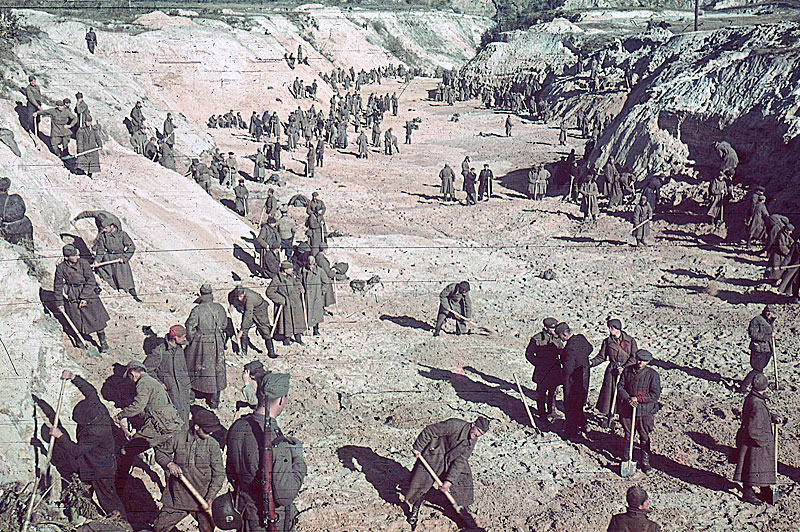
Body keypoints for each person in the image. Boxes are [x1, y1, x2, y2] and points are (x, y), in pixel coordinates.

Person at [226, 373, 307, 532]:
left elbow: (231, 473)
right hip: (269, 522)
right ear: (282, 400)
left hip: (245, 514)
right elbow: (284, 496)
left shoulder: (238, 426)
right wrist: (298, 459)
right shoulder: (277, 443)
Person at [48, 370, 129, 526]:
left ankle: (123, 524)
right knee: (82, 489)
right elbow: (89, 390)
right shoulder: (95, 405)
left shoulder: (97, 432)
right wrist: (73, 378)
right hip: (91, 462)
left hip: (101, 468)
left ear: (90, 422)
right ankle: (82, 514)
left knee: (108, 498)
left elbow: (76, 451)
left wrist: (60, 436)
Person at [404, 417, 489, 529]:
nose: (478, 435)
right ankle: (414, 509)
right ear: (473, 425)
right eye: (478, 431)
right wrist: (418, 447)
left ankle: (463, 508)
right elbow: (431, 430)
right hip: (436, 452)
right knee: (423, 481)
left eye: (481, 434)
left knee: (464, 477)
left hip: (452, 458)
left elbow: (461, 460)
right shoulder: (454, 425)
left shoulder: (472, 440)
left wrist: (449, 481)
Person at [153, 410, 225, 532]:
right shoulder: (178, 438)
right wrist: (169, 464)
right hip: (177, 496)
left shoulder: (213, 445)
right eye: (207, 430)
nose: (211, 433)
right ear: (196, 427)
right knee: (159, 528)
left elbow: (219, 474)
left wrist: (210, 497)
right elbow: (161, 453)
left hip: (201, 499)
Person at [114, 360, 185, 477]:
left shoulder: (143, 383)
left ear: (132, 373)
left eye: (129, 377)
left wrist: (121, 415)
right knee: (166, 459)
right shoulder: (153, 382)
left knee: (127, 451)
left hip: (159, 426)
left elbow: (138, 406)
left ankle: (119, 484)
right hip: (171, 424)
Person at [733, 373, 783, 505]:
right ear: (765, 387)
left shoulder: (752, 398)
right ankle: (748, 494)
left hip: (750, 440)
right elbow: (753, 429)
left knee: (759, 467)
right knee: (753, 468)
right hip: (756, 443)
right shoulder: (758, 404)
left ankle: (765, 491)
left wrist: (772, 416)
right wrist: (764, 441)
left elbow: (757, 415)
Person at [54, 244, 110, 352]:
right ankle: (80, 341)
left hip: (88, 291)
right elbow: (57, 286)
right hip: (73, 293)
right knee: (76, 318)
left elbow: (91, 280)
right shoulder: (61, 268)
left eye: (76, 254)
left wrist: (84, 297)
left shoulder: (83, 263)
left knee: (96, 318)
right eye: (73, 256)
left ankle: (103, 342)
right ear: (66, 257)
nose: (76, 257)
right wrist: (59, 303)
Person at [617, 349, 661, 473]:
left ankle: (645, 462)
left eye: (643, 361)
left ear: (648, 362)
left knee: (644, 435)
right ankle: (626, 458)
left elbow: (655, 394)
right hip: (627, 409)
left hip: (644, 411)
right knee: (628, 434)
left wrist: (639, 399)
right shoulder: (627, 371)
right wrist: (628, 398)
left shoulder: (653, 375)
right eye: (639, 359)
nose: (640, 362)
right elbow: (620, 386)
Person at [185, 284, 228, 409]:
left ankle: (191, 397)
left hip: (202, 342)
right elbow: (224, 324)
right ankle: (215, 401)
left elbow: (190, 327)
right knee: (217, 369)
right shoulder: (220, 308)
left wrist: (193, 339)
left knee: (193, 366)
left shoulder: (197, 310)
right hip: (217, 342)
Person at [590, 318, 637, 428]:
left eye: (612, 328)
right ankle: (609, 415)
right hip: (612, 370)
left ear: (618, 329)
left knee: (624, 393)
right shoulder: (607, 341)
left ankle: (623, 417)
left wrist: (624, 367)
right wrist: (591, 362)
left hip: (626, 371)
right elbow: (601, 357)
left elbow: (634, 357)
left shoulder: (630, 341)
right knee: (609, 394)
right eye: (609, 328)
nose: (610, 330)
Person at [145, 325, 193, 423]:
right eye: (183, 337)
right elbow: (147, 370)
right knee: (172, 418)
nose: (185, 339)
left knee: (184, 415)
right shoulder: (160, 351)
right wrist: (159, 383)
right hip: (170, 391)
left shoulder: (179, 349)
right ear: (175, 338)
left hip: (182, 388)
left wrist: (188, 386)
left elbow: (184, 369)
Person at [555, 322, 592, 440]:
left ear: (564, 334)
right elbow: (590, 348)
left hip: (572, 381)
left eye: (559, 335)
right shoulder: (581, 338)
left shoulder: (569, 349)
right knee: (579, 403)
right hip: (584, 376)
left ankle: (571, 431)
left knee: (570, 405)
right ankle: (583, 424)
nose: (559, 338)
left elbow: (568, 369)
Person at [525, 317, 563, 422]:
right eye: (551, 328)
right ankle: (541, 413)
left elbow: (562, 351)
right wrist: (538, 363)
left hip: (554, 369)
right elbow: (529, 354)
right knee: (541, 393)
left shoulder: (558, 338)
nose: (554, 330)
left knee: (553, 392)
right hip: (542, 371)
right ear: (545, 328)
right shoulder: (537, 339)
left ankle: (552, 411)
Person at [93, 220, 141, 301]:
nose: (104, 230)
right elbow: (100, 250)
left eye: (106, 228)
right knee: (105, 273)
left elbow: (131, 247)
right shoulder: (103, 236)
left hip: (120, 259)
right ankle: (115, 290)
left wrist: (124, 257)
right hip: (108, 258)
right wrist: (97, 261)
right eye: (103, 228)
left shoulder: (122, 234)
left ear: (112, 226)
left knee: (125, 278)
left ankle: (133, 294)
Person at [266, 261, 307, 346]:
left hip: (295, 303)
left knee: (297, 320)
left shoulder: (292, 276)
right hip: (285, 305)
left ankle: (298, 338)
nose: (292, 270)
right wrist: (281, 300)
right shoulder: (277, 279)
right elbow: (269, 292)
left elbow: (297, 283)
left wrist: (300, 288)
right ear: (285, 270)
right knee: (286, 322)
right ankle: (286, 339)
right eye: (290, 268)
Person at [230, 286, 277, 359]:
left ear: (244, 294)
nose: (239, 299)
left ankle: (271, 352)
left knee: (264, 329)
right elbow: (230, 295)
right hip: (250, 309)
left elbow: (248, 315)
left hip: (260, 310)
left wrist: (241, 331)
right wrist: (231, 304)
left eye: (241, 297)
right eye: (238, 297)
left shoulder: (250, 299)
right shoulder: (238, 291)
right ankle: (243, 351)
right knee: (245, 329)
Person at [738, 305, 776, 392]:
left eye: (771, 312)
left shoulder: (770, 321)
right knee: (757, 369)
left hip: (767, 349)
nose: (769, 313)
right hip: (758, 349)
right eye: (768, 311)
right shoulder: (757, 320)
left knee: (760, 369)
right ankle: (743, 387)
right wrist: (768, 336)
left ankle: (755, 385)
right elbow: (753, 334)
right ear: (764, 311)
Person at [0, 177, 34, 250]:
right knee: (27, 250)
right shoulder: (16, 198)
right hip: (24, 225)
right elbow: (23, 209)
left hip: (7, 230)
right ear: (7, 188)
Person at [301, 255, 327, 336]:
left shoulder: (320, 271)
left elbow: (326, 281)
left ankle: (316, 330)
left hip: (316, 295)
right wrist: (301, 287)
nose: (311, 267)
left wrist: (322, 291)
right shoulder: (302, 270)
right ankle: (306, 328)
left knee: (316, 313)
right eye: (309, 265)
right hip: (306, 295)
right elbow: (298, 280)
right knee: (306, 312)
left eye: (312, 265)